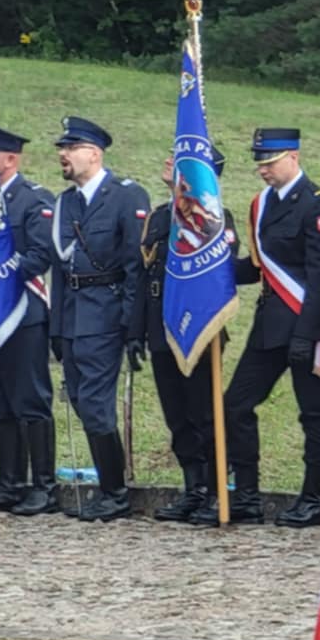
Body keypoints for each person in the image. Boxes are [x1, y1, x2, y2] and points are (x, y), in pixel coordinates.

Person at [224, 128, 320, 527]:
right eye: (260, 162)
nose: (263, 169)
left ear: (293, 156)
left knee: (313, 414)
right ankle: (248, 495)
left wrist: (307, 334)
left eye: (270, 162)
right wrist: (214, 271)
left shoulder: (317, 203)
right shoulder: (262, 204)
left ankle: (310, 498)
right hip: (270, 323)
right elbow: (259, 268)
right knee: (235, 404)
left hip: (305, 325)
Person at [49, 117, 150, 522]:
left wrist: (132, 326)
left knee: (94, 403)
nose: (63, 155)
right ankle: (110, 488)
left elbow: (135, 267)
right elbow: (60, 271)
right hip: (74, 315)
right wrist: (57, 328)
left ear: (93, 153)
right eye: (62, 149)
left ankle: (114, 492)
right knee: (79, 398)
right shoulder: (66, 203)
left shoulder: (125, 196)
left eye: (70, 148)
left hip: (107, 313)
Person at [136, 149, 234, 524]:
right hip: (161, 325)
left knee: (203, 414)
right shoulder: (160, 216)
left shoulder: (216, 218)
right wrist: (136, 331)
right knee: (176, 416)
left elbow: (219, 272)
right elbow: (144, 276)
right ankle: (193, 488)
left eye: (178, 159)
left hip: (199, 328)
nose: (168, 161)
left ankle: (215, 490)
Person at [0, 126, 61, 515]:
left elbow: (40, 256)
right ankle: (10, 484)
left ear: (11, 158)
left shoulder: (33, 199)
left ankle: (44, 486)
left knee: (30, 400)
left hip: (23, 312)